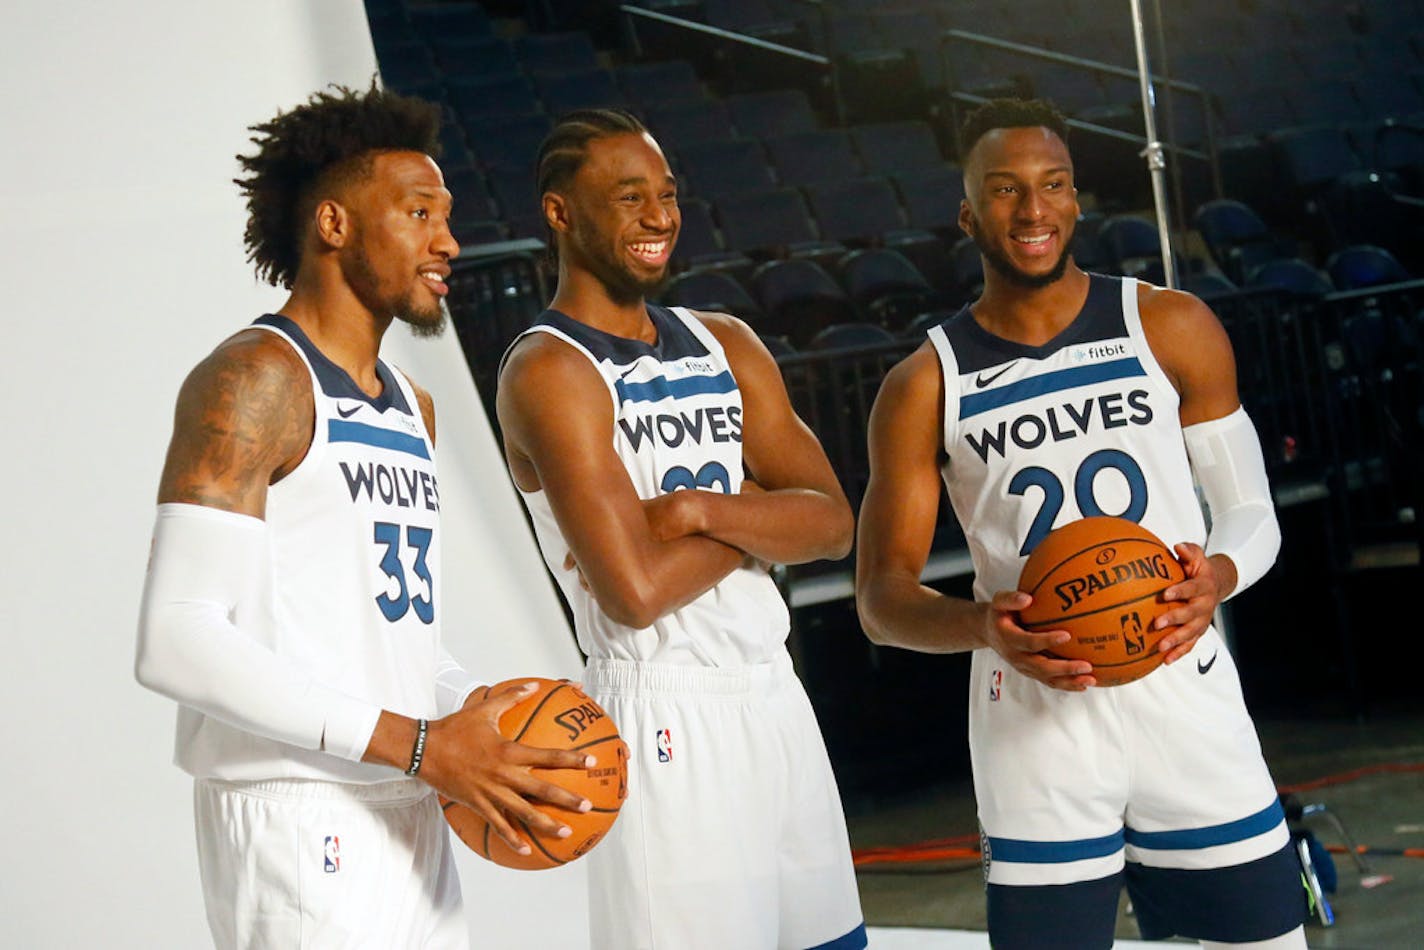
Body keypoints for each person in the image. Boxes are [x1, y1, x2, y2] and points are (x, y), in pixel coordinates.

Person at [134, 84, 594, 949]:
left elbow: (394, 633)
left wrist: (485, 717)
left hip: (405, 801)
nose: (448, 241)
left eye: (447, 215)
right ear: (335, 225)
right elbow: (177, 635)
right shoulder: (257, 380)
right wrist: (422, 745)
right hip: (301, 815)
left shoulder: (410, 406)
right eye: (419, 213)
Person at [854, 98, 1308, 949]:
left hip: (1183, 691)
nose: (1033, 210)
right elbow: (881, 599)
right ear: (968, 213)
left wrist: (1217, 574)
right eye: (1005, 190)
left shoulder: (1168, 324)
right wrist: (981, 626)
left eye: (1052, 185)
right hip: (1034, 720)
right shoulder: (924, 383)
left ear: (1075, 199)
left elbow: (1251, 512)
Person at [496, 108, 867, 950]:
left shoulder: (724, 341)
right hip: (664, 715)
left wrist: (701, 510)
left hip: (775, 698)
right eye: (630, 198)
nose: (661, 217)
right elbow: (635, 592)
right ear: (560, 213)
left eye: (667, 195)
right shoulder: (550, 369)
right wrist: (765, 522)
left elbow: (835, 523)